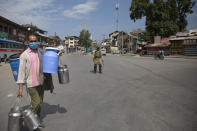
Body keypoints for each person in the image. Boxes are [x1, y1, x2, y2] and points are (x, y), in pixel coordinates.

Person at [16, 35, 45, 129]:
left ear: (37, 41)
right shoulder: (24, 55)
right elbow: (21, 72)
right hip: (31, 83)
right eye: (31, 41)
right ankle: (26, 119)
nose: (33, 42)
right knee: (36, 102)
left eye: (35, 40)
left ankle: (36, 121)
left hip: (40, 81)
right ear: (28, 42)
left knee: (40, 103)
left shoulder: (39, 52)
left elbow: (46, 61)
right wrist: (20, 88)